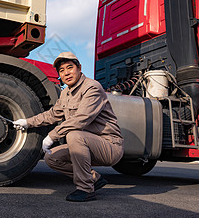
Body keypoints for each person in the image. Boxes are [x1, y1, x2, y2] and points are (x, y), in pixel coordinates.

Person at [13, 52, 124, 202]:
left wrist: (52, 135)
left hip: (109, 146)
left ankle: (86, 189)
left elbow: (81, 119)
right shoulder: (66, 93)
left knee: (74, 134)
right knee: (51, 157)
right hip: (85, 145)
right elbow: (51, 115)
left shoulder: (92, 88)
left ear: (79, 68)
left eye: (70, 68)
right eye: (62, 70)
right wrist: (27, 122)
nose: (66, 73)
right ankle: (93, 178)